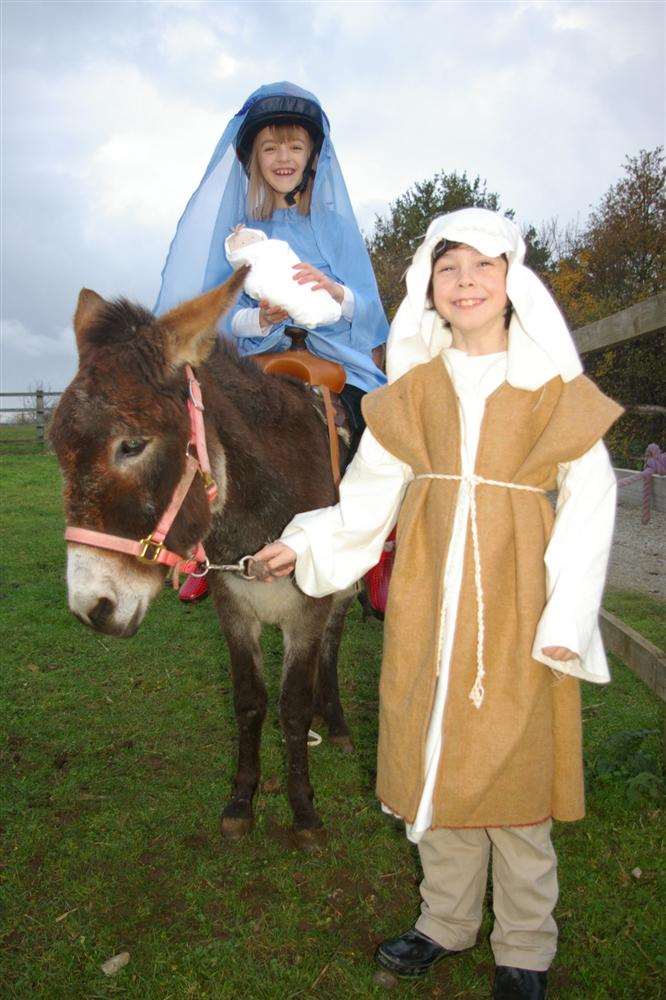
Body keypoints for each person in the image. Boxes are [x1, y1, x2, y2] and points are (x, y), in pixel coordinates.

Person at [252, 208, 623, 999]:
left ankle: (524, 945)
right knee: (436, 762)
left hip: (519, 601)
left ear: (510, 283)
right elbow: (368, 496)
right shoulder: (414, 393)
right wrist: (307, 545)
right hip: (429, 599)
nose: (465, 282)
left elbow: (591, 502)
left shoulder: (554, 390)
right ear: (429, 286)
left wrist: (566, 620)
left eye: (482, 266)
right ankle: (447, 920)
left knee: (517, 780)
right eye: (448, 268)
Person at [155, 81, 388, 600]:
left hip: (339, 356)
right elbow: (221, 313)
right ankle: (200, 541)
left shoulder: (336, 227)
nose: (283, 157)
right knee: (198, 421)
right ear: (254, 157)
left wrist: (336, 294)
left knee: (382, 423)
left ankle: (379, 546)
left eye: (295, 146)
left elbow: (372, 312)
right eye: (271, 147)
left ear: (311, 157)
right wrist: (259, 319)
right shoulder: (239, 233)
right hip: (263, 356)